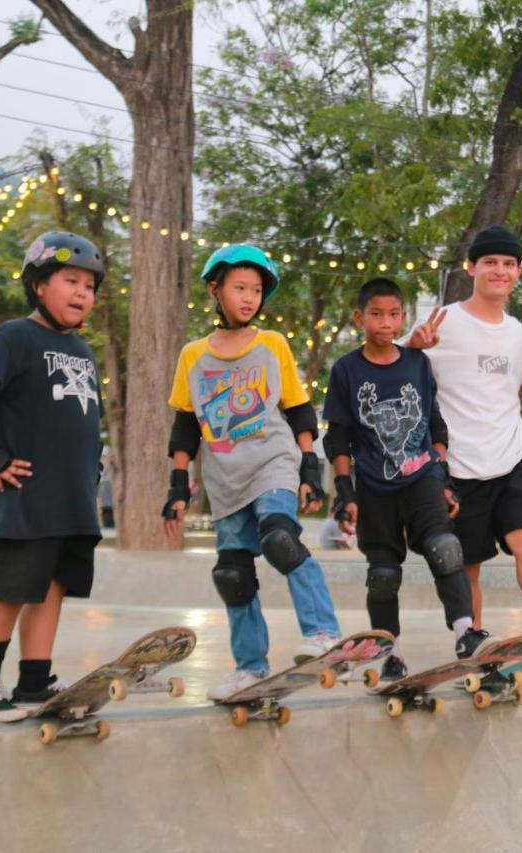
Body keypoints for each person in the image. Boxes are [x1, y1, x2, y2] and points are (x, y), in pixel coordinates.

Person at [163, 244, 342, 701]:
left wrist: (308, 465)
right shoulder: (193, 355)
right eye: (239, 288)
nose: (248, 298)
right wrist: (177, 486)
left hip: (273, 462)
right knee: (232, 574)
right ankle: (250, 668)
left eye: (256, 290)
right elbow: (185, 426)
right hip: (224, 479)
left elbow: (299, 408)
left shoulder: (271, 344)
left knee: (279, 538)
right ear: (214, 290)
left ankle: (324, 633)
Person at [408, 224, 522, 650]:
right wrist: (416, 347)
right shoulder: (442, 321)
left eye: (509, 264)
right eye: (490, 262)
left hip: (510, 455)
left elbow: (519, 381)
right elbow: (396, 367)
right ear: (472, 267)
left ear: (518, 272)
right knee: (467, 562)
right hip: (460, 463)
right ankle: (469, 636)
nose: (500, 270)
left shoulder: (516, 331)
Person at [0, 231, 106, 721]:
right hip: (26, 493)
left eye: (90, 285)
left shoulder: (82, 350)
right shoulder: (15, 337)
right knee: (13, 588)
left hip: (72, 497)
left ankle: (34, 684)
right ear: (39, 284)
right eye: (70, 281)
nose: (83, 293)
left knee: (53, 586)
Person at [323, 277, 491, 681]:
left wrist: (444, 477)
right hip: (373, 488)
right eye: (376, 314)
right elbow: (340, 438)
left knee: (445, 549)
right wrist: (345, 494)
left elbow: (435, 422)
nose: (386, 322)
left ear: (404, 317)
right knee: (383, 574)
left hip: (422, 479)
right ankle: (389, 651)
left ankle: (466, 633)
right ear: (359, 317)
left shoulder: (418, 363)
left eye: (394, 314)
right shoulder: (346, 370)